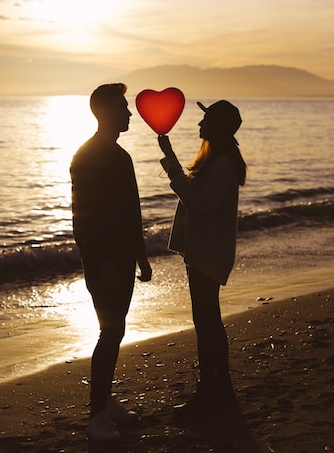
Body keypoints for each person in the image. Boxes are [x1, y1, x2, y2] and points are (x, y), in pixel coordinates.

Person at [70, 83, 152, 442]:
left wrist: (141, 255)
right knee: (110, 331)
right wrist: (99, 263)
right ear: (105, 112)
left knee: (116, 331)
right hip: (104, 261)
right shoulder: (86, 157)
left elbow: (132, 212)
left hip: (122, 258)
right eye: (123, 107)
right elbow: (84, 219)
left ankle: (105, 400)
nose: (129, 113)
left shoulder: (122, 156)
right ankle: (96, 414)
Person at [158, 99, 246, 419]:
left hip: (209, 253)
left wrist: (171, 167)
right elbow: (197, 195)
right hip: (205, 251)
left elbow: (200, 204)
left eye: (205, 119)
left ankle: (214, 391)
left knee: (207, 322)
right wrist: (170, 156)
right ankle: (216, 389)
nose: (199, 124)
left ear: (218, 126)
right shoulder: (216, 159)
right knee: (207, 321)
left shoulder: (222, 164)